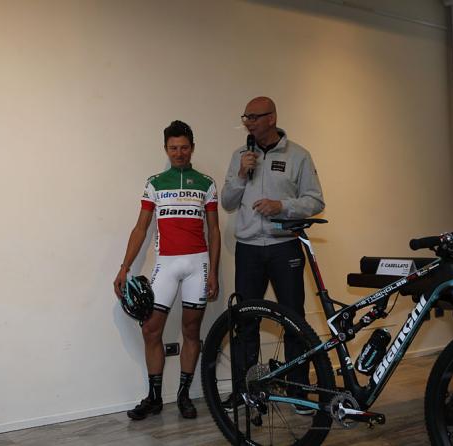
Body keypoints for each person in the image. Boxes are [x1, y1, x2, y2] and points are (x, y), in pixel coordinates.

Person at [220, 96, 325, 414]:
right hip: (249, 249)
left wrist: (283, 206)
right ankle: (244, 390)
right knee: (245, 321)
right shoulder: (240, 156)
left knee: (293, 319)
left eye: (253, 117)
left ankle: (298, 390)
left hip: (284, 247)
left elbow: (315, 201)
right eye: (246, 117)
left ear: (271, 118)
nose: (248, 123)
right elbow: (227, 201)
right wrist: (241, 174)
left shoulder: (298, 156)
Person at [113, 120, 221, 420]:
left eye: (184, 147)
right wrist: (124, 267)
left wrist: (213, 271)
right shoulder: (155, 183)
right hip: (167, 263)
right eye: (173, 148)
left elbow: (214, 230)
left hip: (198, 264)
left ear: (192, 148)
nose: (179, 153)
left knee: (191, 330)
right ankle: (154, 397)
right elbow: (140, 228)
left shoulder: (207, 183)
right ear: (165, 149)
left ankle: (184, 395)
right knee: (150, 329)